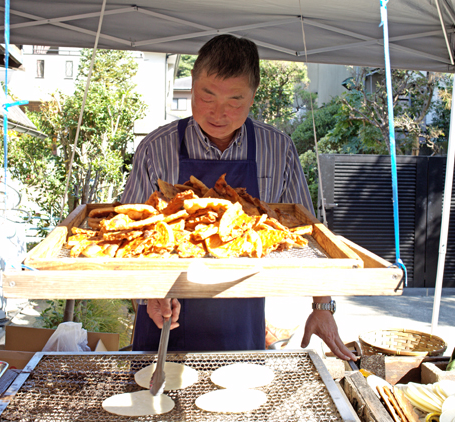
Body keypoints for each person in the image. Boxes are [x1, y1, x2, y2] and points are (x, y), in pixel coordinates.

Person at [120, 34, 357, 361]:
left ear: (253, 97)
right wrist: (147, 296)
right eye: (207, 95)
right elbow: (128, 237)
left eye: (235, 100)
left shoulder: (278, 149)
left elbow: (309, 235)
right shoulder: (155, 148)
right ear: (192, 86)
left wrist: (322, 306)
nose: (219, 112)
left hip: (242, 314)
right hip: (164, 314)